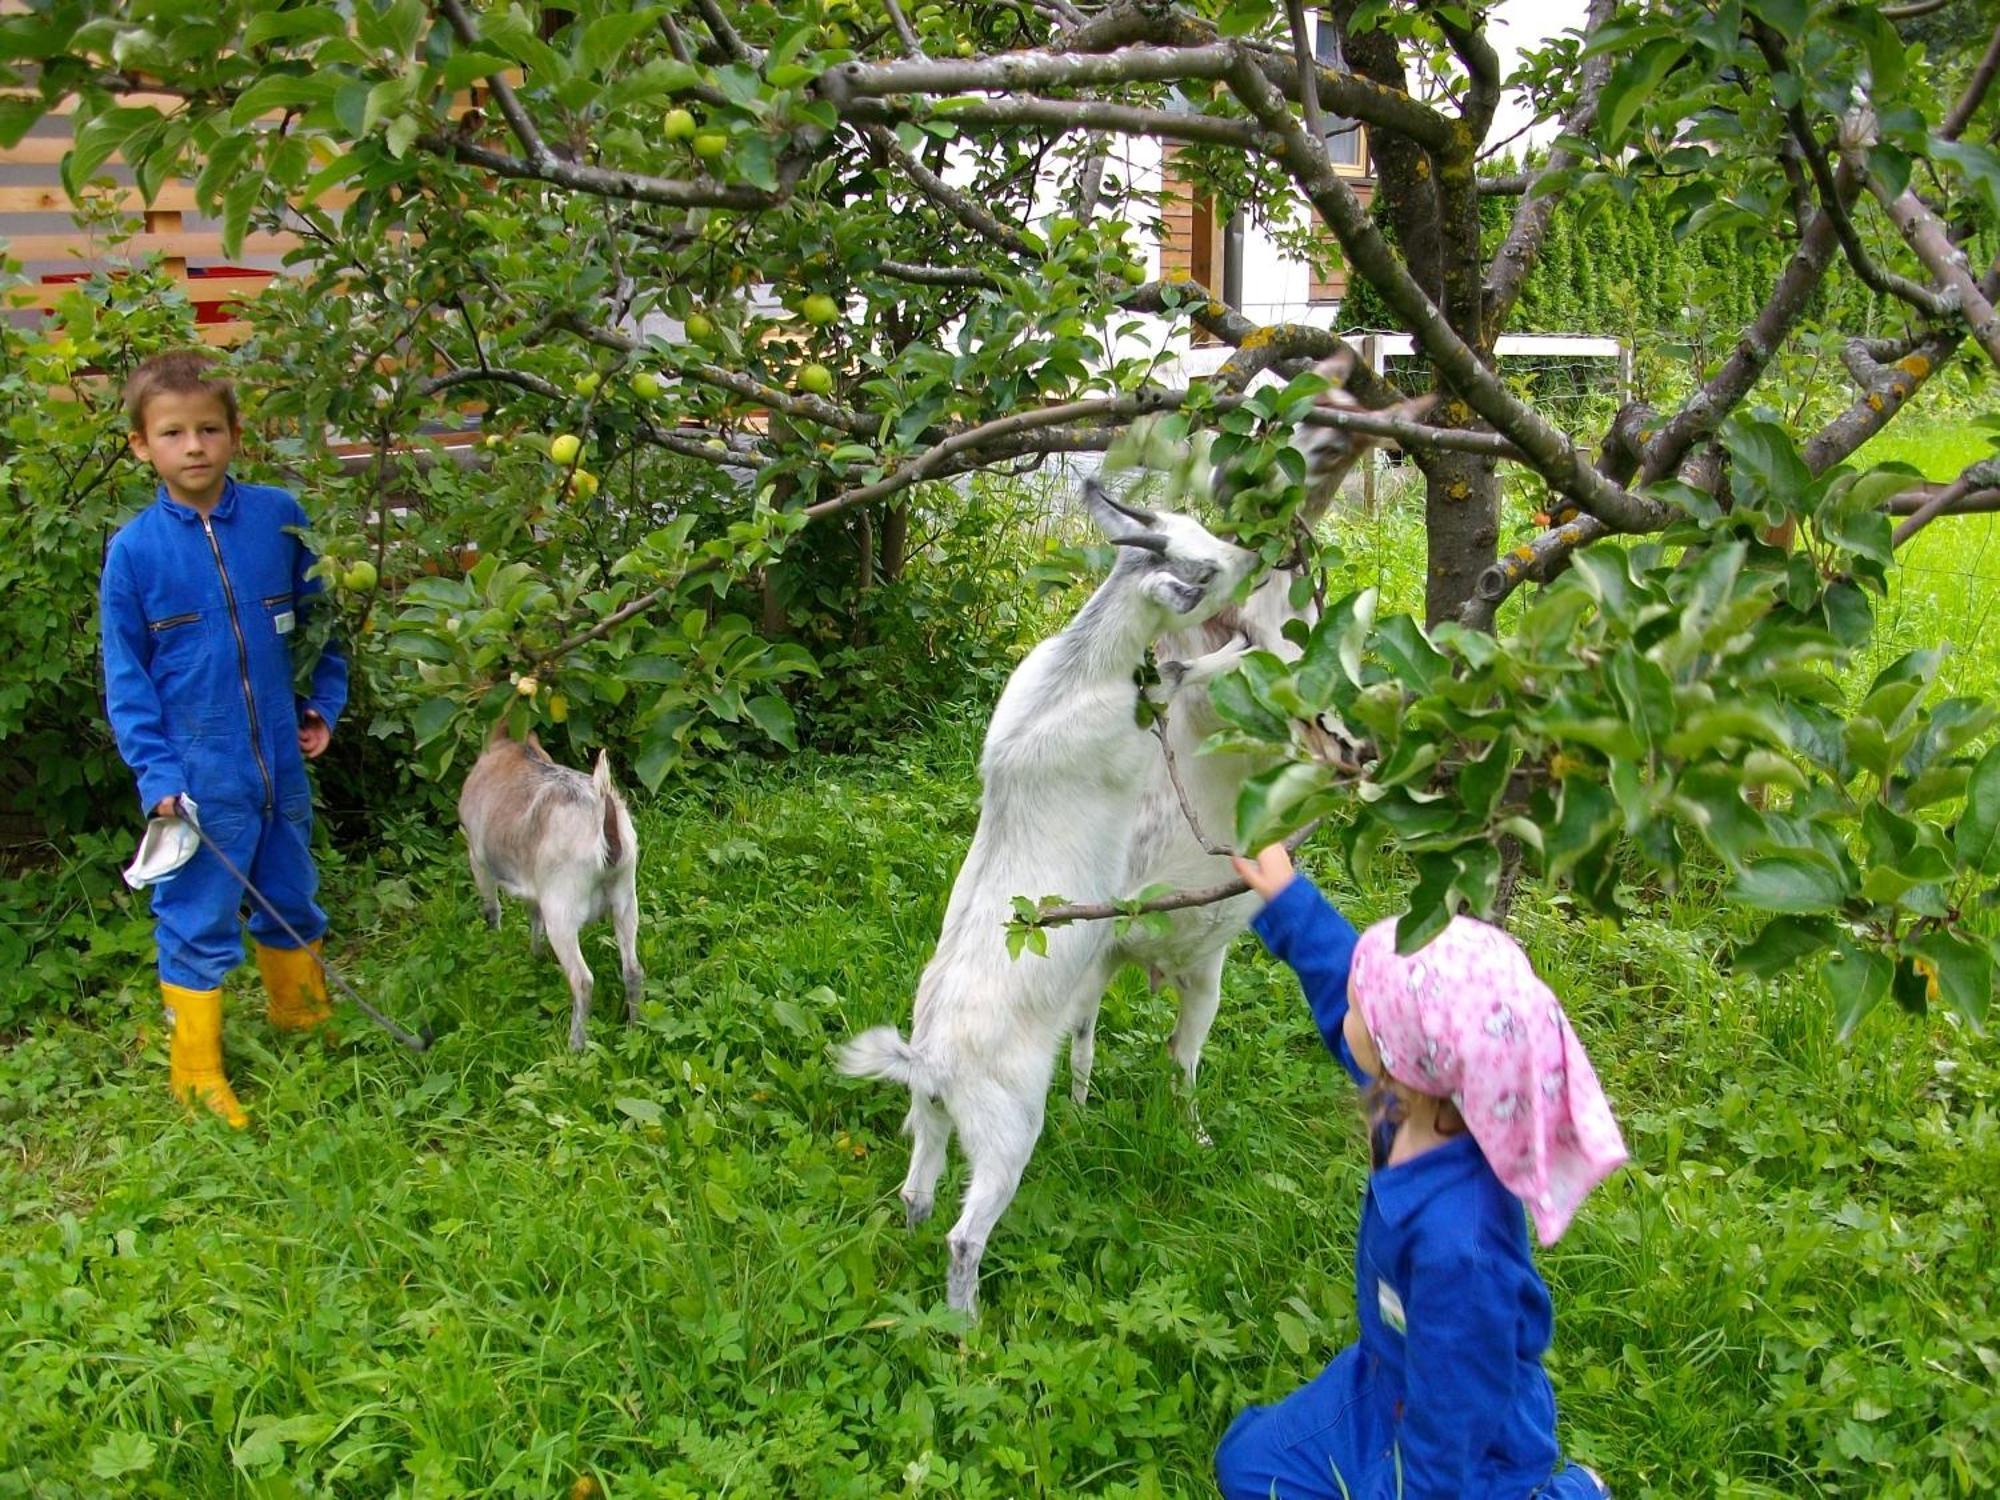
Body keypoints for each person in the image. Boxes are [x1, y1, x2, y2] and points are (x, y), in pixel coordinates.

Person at [1213, 844, 1626, 1500]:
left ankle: (1570, 1493)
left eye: (1359, 1010)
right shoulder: (1402, 1107)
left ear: (1400, 1058)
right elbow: (1335, 979)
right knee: (1246, 1466)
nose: (1343, 1014)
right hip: (1387, 1381)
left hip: (1468, 1443)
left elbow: (1450, 1437)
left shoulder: (1460, 1251)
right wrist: (1289, 899)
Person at [99, 349, 349, 1127]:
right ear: (143, 446)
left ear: (236, 433)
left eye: (210, 428)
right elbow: (129, 679)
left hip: (280, 756)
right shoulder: (136, 553)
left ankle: (301, 1021)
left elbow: (321, 627)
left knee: (289, 893)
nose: (195, 446)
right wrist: (156, 776)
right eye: (173, 433)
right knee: (199, 914)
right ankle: (197, 1072)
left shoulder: (279, 520)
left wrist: (322, 706)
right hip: (200, 775)